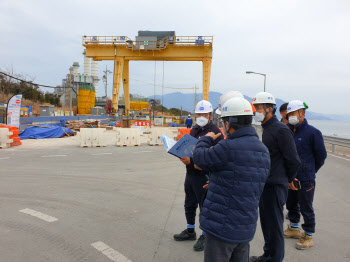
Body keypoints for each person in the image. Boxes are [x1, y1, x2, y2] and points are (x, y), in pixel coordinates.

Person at [192, 97, 271, 262]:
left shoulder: (228, 146)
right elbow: (242, 179)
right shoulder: (263, 150)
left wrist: (206, 138)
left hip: (222, 227)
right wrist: (216, 181)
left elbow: (199, 157)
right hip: (245, 227)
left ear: (228, 124)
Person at [250, 92, 301, 262]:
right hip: (266, 184)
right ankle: (268, 254)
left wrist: (286, 179)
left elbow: (293, 160)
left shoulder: (281, 130)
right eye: (255, 107)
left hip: (275, 185)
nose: (255, 111)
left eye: (258, 108)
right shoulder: (268, 128)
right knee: (267, 224)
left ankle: (275, 258)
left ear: (269, 108)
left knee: (274, 225)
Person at [174, 100, 224, 252]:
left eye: (204, 114)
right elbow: (190, 148)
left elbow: (213, 157)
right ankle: (190, 231)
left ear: (210, 115)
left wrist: (192, 160)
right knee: (189, 203)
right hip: (190, 173)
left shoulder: (215, 132)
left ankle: (205, 235)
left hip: (204, 176)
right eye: (198, 114)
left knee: (205, 207)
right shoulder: (195, 129)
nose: (201, 116)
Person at [283, 100, 327, 250]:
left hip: (305, 179)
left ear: (302, 113)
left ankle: (308, 235)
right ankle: (294, 228)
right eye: (289, 114)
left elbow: (321, 156)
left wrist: (310, 171)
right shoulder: (287, 130)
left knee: (306, 207)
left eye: (293, 113)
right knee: (291, 204)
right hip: (289, 177)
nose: (291, 116)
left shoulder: (313, 133)